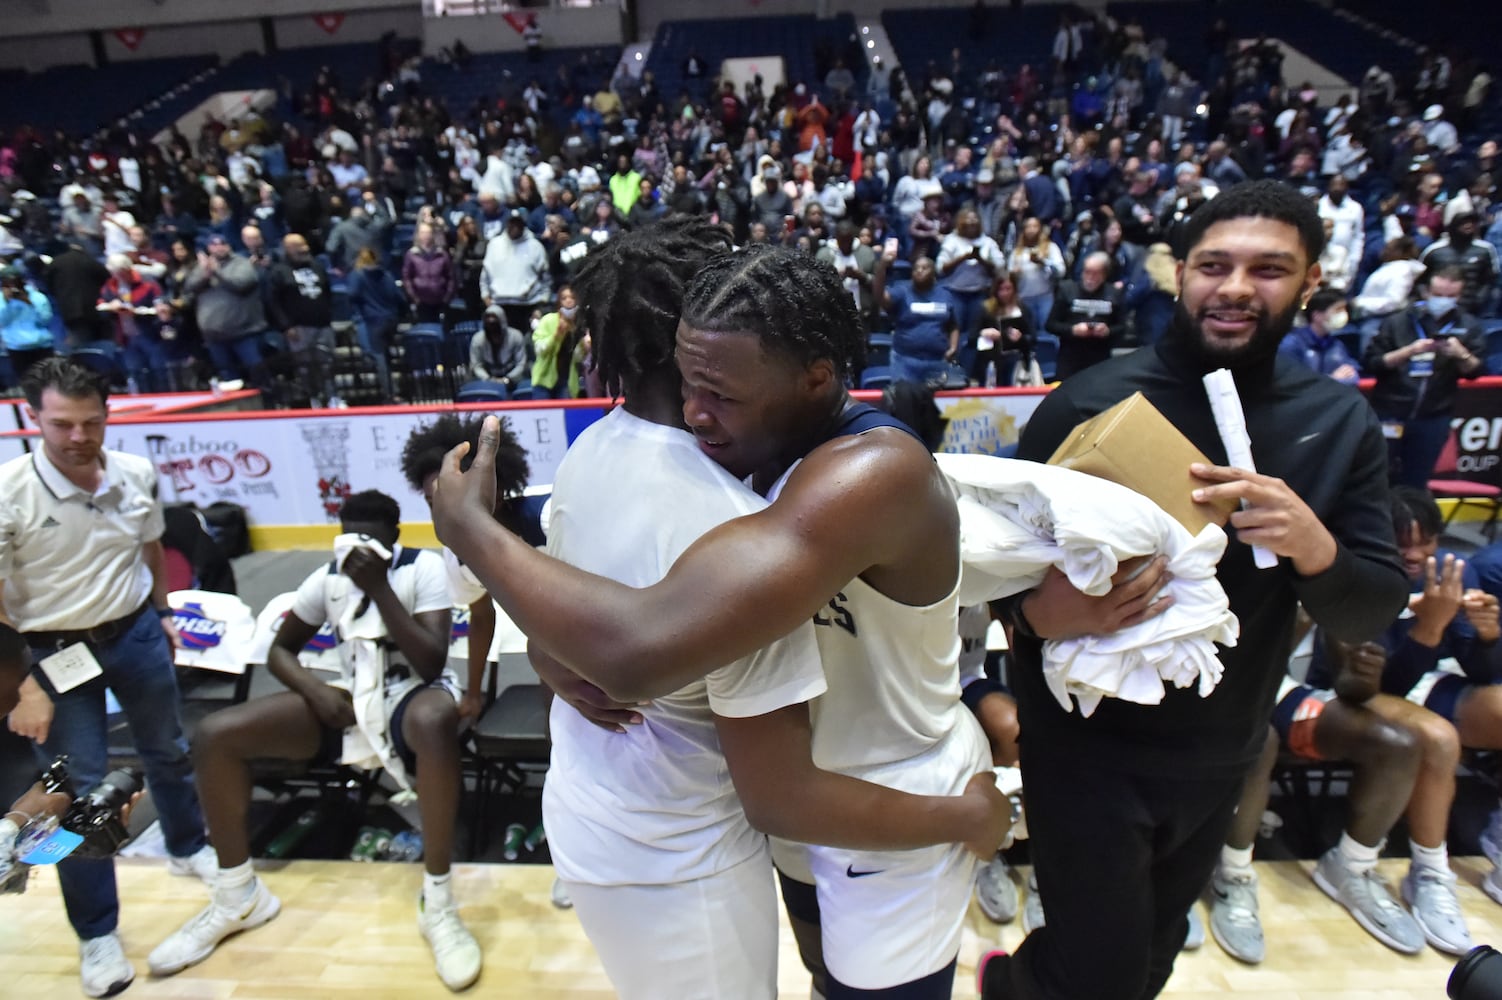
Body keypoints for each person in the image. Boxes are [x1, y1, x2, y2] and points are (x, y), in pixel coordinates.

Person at [431, 234, 1005, 999]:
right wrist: (548, 650)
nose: (695, 414)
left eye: (722, 395)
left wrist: (472, 532)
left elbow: (641, 645)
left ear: (817, 379)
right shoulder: (745, 447)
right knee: (823, 982)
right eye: (687, 381)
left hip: (897, 796)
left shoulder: (872, 473)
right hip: (801, 800)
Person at [978, 180, 1409, 1000]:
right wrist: (1035, 615)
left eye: (1270, 270)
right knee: (1100, 974)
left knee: (1149, 960)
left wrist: (1315, 546)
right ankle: (1016, 981)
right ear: (1180, 274)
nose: (1238, 288)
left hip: (1224, 748)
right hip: (1085, 747)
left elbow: (1371, 606)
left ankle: (1016, 982)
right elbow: (991, 571)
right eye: (1216, 265)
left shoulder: (1336, 420)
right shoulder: (1089, 400)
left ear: (1312, 282)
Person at [147, 490, 482, 991]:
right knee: (217, 735)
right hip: (346, 695)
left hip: (411, 694)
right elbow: (282, 651)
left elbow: (431, 662)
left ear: (395, 535)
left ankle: (438, 901)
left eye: (371, 536)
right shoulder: (326, 579)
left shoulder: (422, 569)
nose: (358, 545)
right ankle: (238, 895)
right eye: (349, 535)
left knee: (436, 720)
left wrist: (380, 589)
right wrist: (312, 689)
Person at [2, 358, 215, 998]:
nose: (76, 436)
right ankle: (96, 933)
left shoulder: (135, 473)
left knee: (170, 752)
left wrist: (163, 613)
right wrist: (24, 684)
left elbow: (150, 546)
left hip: (135, 635)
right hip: (49, 655)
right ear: (32, 417)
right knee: (76, 796)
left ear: (107, 417)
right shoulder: (9, 491)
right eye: (61, 423)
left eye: (90, 422)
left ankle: (186, 845)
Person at [1362, 265, 1486, 488]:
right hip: (1391, 412)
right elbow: (1373, 363)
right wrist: (1409, 352)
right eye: (1438, 295)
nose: (1444, 300)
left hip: (1434, 417)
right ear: (1425, 292)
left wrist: (1462, 354)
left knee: (1416, 484)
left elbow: (1475, 371)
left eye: (1451, 296)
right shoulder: (1398, 322)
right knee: (1376, 479)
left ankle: (1412, 523)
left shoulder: (1468, 326)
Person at [872, 241, 960, 386]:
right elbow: (879, 297)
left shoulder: (945, 294)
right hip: (905, 362)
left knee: (935, 408)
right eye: (916, 268)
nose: (919, 271)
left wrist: (953, 347)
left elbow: (953, 325)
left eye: (924, 268)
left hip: (937, 362)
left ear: (933, 273)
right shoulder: (902, 290)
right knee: (906, 406)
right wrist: (882, 266)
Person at [1046, 250, 1125, 381]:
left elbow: (1122, 326)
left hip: (1100, 358)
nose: (1090, 277)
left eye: (1095, 273)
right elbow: (1050, 325)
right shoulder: (1067, 290)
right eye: (1086, 272)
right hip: (1070, 357)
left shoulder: (1114, 294)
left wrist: (1107, 331)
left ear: (1104, 274)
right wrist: (1073, 330)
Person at [1278, 288, 1360, 385]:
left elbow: (1353, 374)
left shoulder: (1336, 344)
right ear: (1317, 315)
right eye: (1338, 309)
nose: (1343, 314)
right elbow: (1291, 382)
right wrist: (1331, 380)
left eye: (1344, 309)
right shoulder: (1291, 343)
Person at [531, 285, 586, 399]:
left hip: (567, 381)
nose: (568, 300)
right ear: (559, 302)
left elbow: (578, 358)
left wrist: (583, 344)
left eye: (572, 297)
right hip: (543, 379)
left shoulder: (579, 325)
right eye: (564, 298)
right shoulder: (547, 320)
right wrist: (556, 336)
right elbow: (540, 350)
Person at [468, 305, 528, 392]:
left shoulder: (516, 336)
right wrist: (489, 379)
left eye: (494, 320)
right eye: (488, 320)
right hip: (486, 380)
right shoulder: (477, 339)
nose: (491, 323)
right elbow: (476, 365)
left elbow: (521, 363)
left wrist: (508, 379)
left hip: (514, 379)